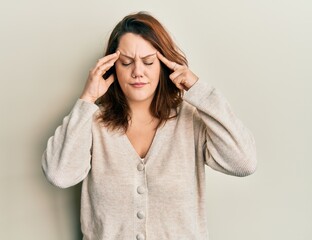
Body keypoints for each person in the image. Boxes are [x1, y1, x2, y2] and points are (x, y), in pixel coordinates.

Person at [42, 11, 257, 240]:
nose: (137, 72)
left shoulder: (191, 120)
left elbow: (243, 162)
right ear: (112, 66)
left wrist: (198, 89)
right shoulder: (93, 124)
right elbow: (59, 174)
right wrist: (87, 99)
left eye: (148, 61)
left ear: (164, 64)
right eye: (126, 63)